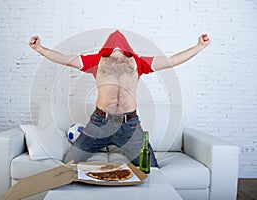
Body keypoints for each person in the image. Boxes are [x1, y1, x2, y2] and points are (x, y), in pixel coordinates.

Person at [28, 30, 210, 167]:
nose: (117, 44)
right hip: (98, 123)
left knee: (151, 169)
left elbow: (171, 61)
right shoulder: (95, 61)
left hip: (130, 125)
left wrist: (199, 46)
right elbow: (64, 59)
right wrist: (39, 48)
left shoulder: (138, 62)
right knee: (69, 164)